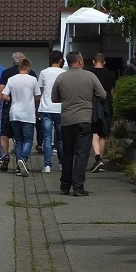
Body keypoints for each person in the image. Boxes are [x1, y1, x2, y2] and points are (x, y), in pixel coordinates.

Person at [51, 51, 107, 197]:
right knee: (81, 155)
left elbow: (54, 99)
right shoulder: (90, 76)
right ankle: (78, 187)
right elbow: (102, 95)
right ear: (80, 62)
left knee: (68, 153)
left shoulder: (61, 77)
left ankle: (65, 186)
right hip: (85, 120)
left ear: (68, 63)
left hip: (67, 120)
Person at [1, 58, 40, 177]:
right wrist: (34, 105)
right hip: (28, 113)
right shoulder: (33, 79)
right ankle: (22, 159)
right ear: (28, 68)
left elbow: (4, 95)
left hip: (14, 113)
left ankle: (19, 167)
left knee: (18, 140)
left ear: (19, 67)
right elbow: (37, 96)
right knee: (28, 139)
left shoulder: (12, 79)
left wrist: (12, 99)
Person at [36, 50, 65, 175]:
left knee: (47, 138)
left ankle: (47, 165)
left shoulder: (43, 73)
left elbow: (40, 91)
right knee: (60, 138)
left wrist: (37, 107)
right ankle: (62, 164)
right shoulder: (64, 73)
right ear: (60, 60)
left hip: (46, 107)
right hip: (60, 108)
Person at [88, 54, 116, 173]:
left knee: (95, 131)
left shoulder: (89, 73)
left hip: (94, 103)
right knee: (103, 133)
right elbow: (112, 91)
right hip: (107, 104)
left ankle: (97, 158)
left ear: (94, 61)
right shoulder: (110, 74)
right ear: (104, 63)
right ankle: (100, 160)